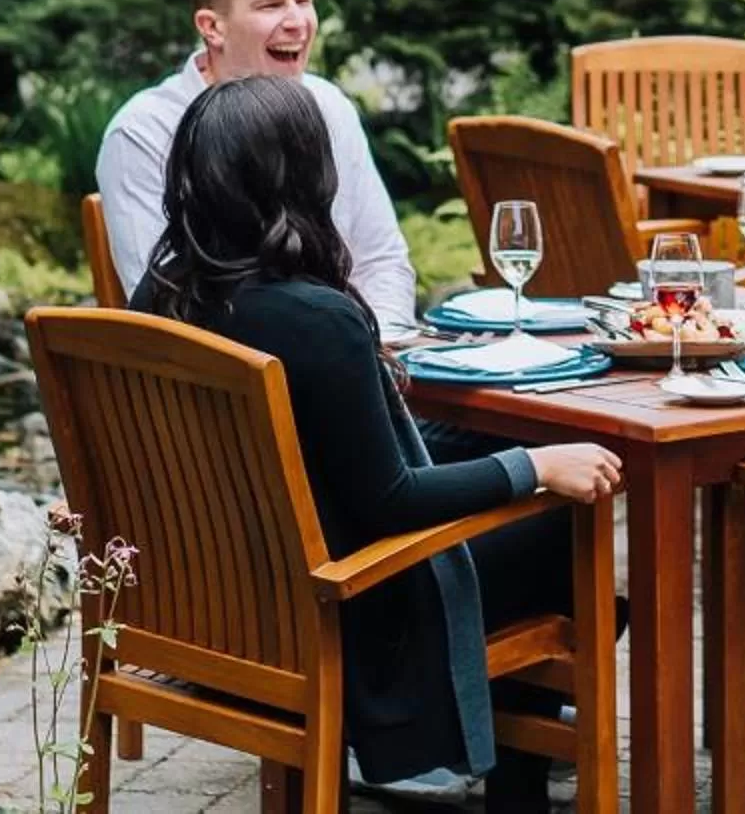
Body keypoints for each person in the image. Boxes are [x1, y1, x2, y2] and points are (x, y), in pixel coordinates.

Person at [134, 75, 622, 814]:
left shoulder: (162, 295)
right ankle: (515, 793)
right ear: (301, 176)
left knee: (481, 452)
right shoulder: (317, 319)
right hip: (346, 604)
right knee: (556, 523)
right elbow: (392, 500)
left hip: (234, 599)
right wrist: (537, 466)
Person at [97, 0, 417, 334]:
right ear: (212, 27)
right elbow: (164, 301)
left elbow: (381, 260)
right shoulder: (144, 131)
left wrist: (377, 347)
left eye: (303, 0)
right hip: (222, 375)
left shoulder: (330, 106)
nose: (298, 21)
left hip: (345, 353)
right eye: (271, 6)